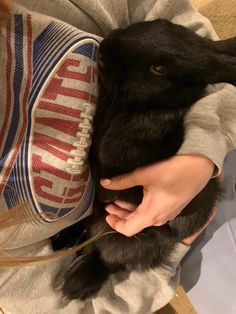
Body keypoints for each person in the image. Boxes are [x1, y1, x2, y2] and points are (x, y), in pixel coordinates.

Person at [0, 0, 235, 313]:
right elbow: (79, 307)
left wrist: (203, 148)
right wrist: (183, 238)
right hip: (160, 237)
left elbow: (179, 36)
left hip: (219, 121)